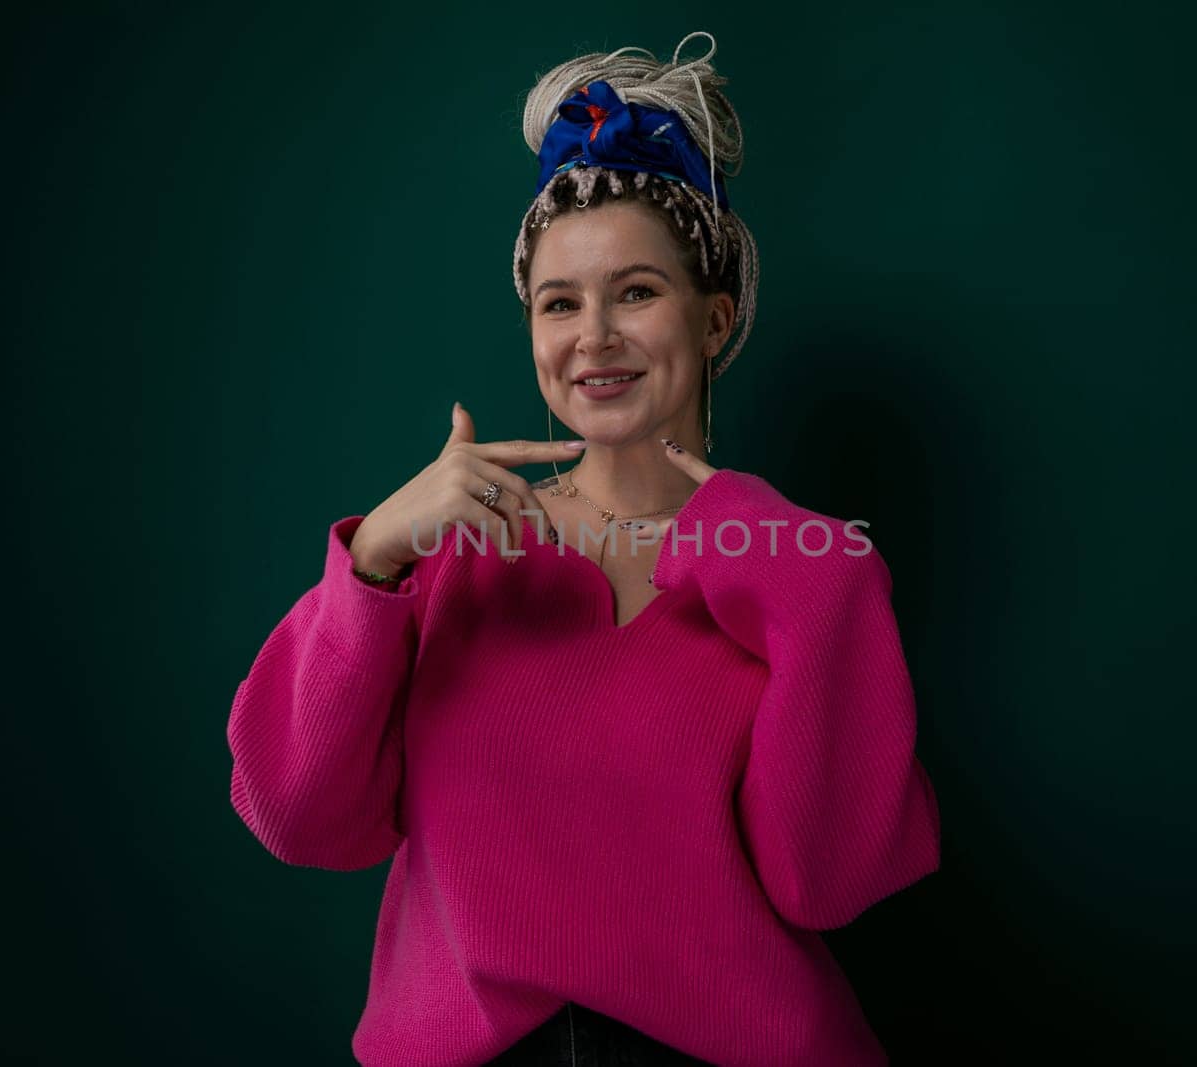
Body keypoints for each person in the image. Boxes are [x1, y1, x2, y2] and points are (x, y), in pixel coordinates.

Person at [226, 31, 942, 1066]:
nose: (593, 336)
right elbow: (298, 817)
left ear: (715, 317)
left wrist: (818, 595)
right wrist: (374, 557)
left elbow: (827, 879)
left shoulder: (801, 564)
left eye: (637, 292)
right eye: (559, 302)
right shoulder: (451, 555)